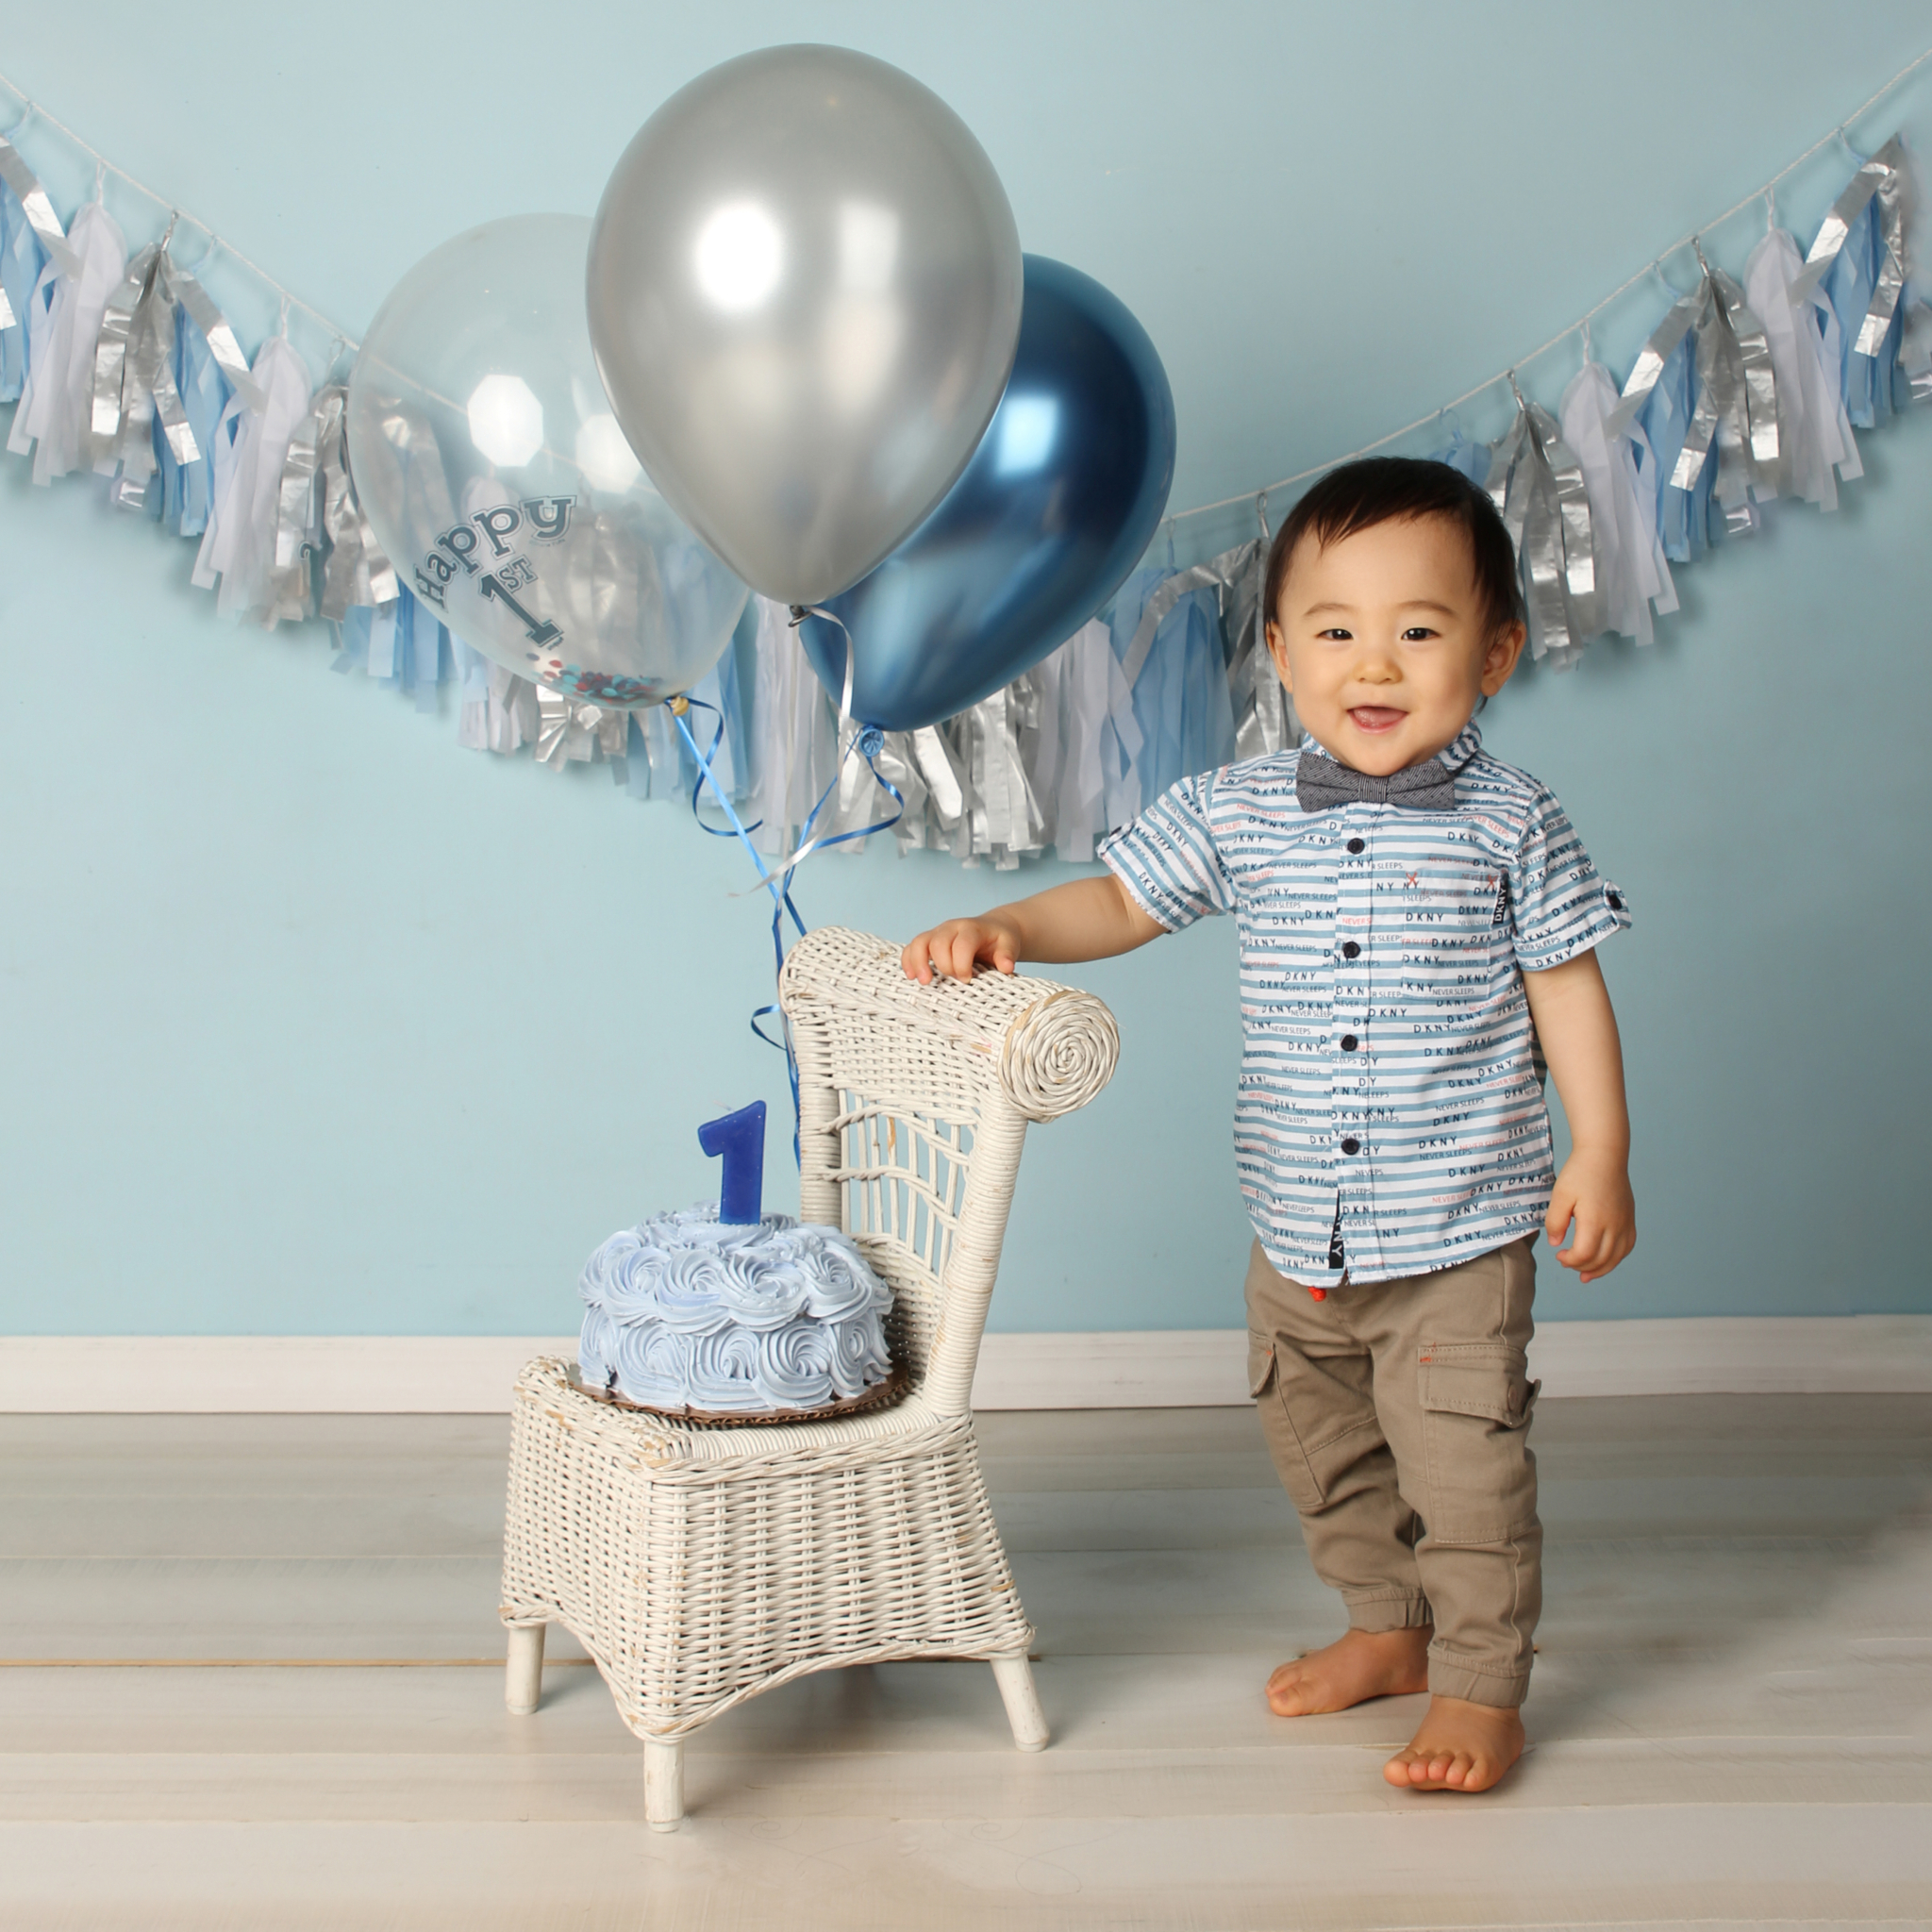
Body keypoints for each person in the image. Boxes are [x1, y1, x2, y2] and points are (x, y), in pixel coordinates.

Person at [901, 457, 1636, 1794]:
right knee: (1323, 1450)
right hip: (1295, 1227)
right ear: (1281, 653)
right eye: (1338, 631)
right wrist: (1013, 926)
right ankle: (1386, 1628)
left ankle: (1482, 1687)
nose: (1377, 663)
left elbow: (1568, 985)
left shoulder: (1512, 822)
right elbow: (1121, 902)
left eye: (1421, 630)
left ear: (1498, 653)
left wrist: (1600, 1152)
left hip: (1456, 1234)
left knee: (1464, 1467)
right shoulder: (1240, 810)